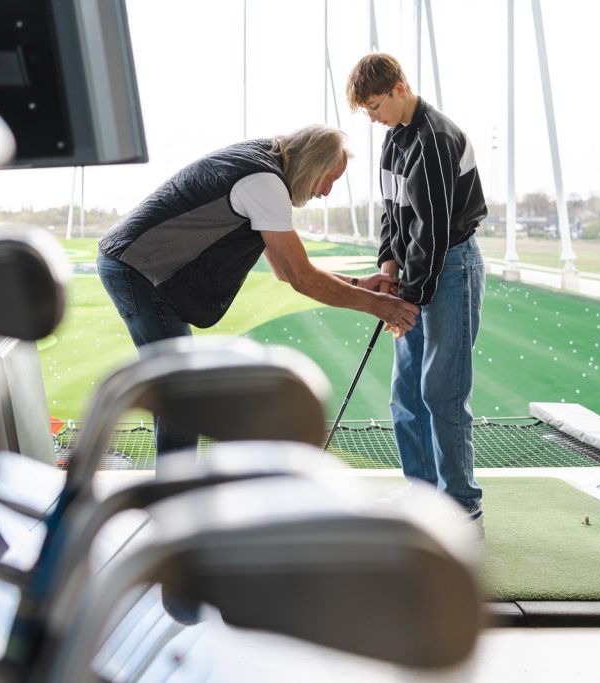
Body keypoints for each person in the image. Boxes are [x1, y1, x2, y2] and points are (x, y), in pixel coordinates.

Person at [98, 124, 419, 457]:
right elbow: (300, 276)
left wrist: (358, 284)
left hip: (134, 266)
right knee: (181, 395)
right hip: (137, 269)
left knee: (181, 393)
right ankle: (172, 502)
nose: (326, 191)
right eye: (329, 178)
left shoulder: (264, 164)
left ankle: (173, 494)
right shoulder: (265, 183)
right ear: (311, 163)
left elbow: (283, 269)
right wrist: (378, 306)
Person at [346, 53, 488, 533]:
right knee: (405, 390)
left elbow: (434, 231)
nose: (371, 118)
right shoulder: (394, 142)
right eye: (366, 110)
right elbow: (393, 215)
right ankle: (422, 494)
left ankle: (462, 508)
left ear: (399, 87)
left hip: (450, 269)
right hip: (415, 272)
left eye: (374, 106)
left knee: (442, 392)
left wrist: (404, 301)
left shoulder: (435, 138)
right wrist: (387, 267)